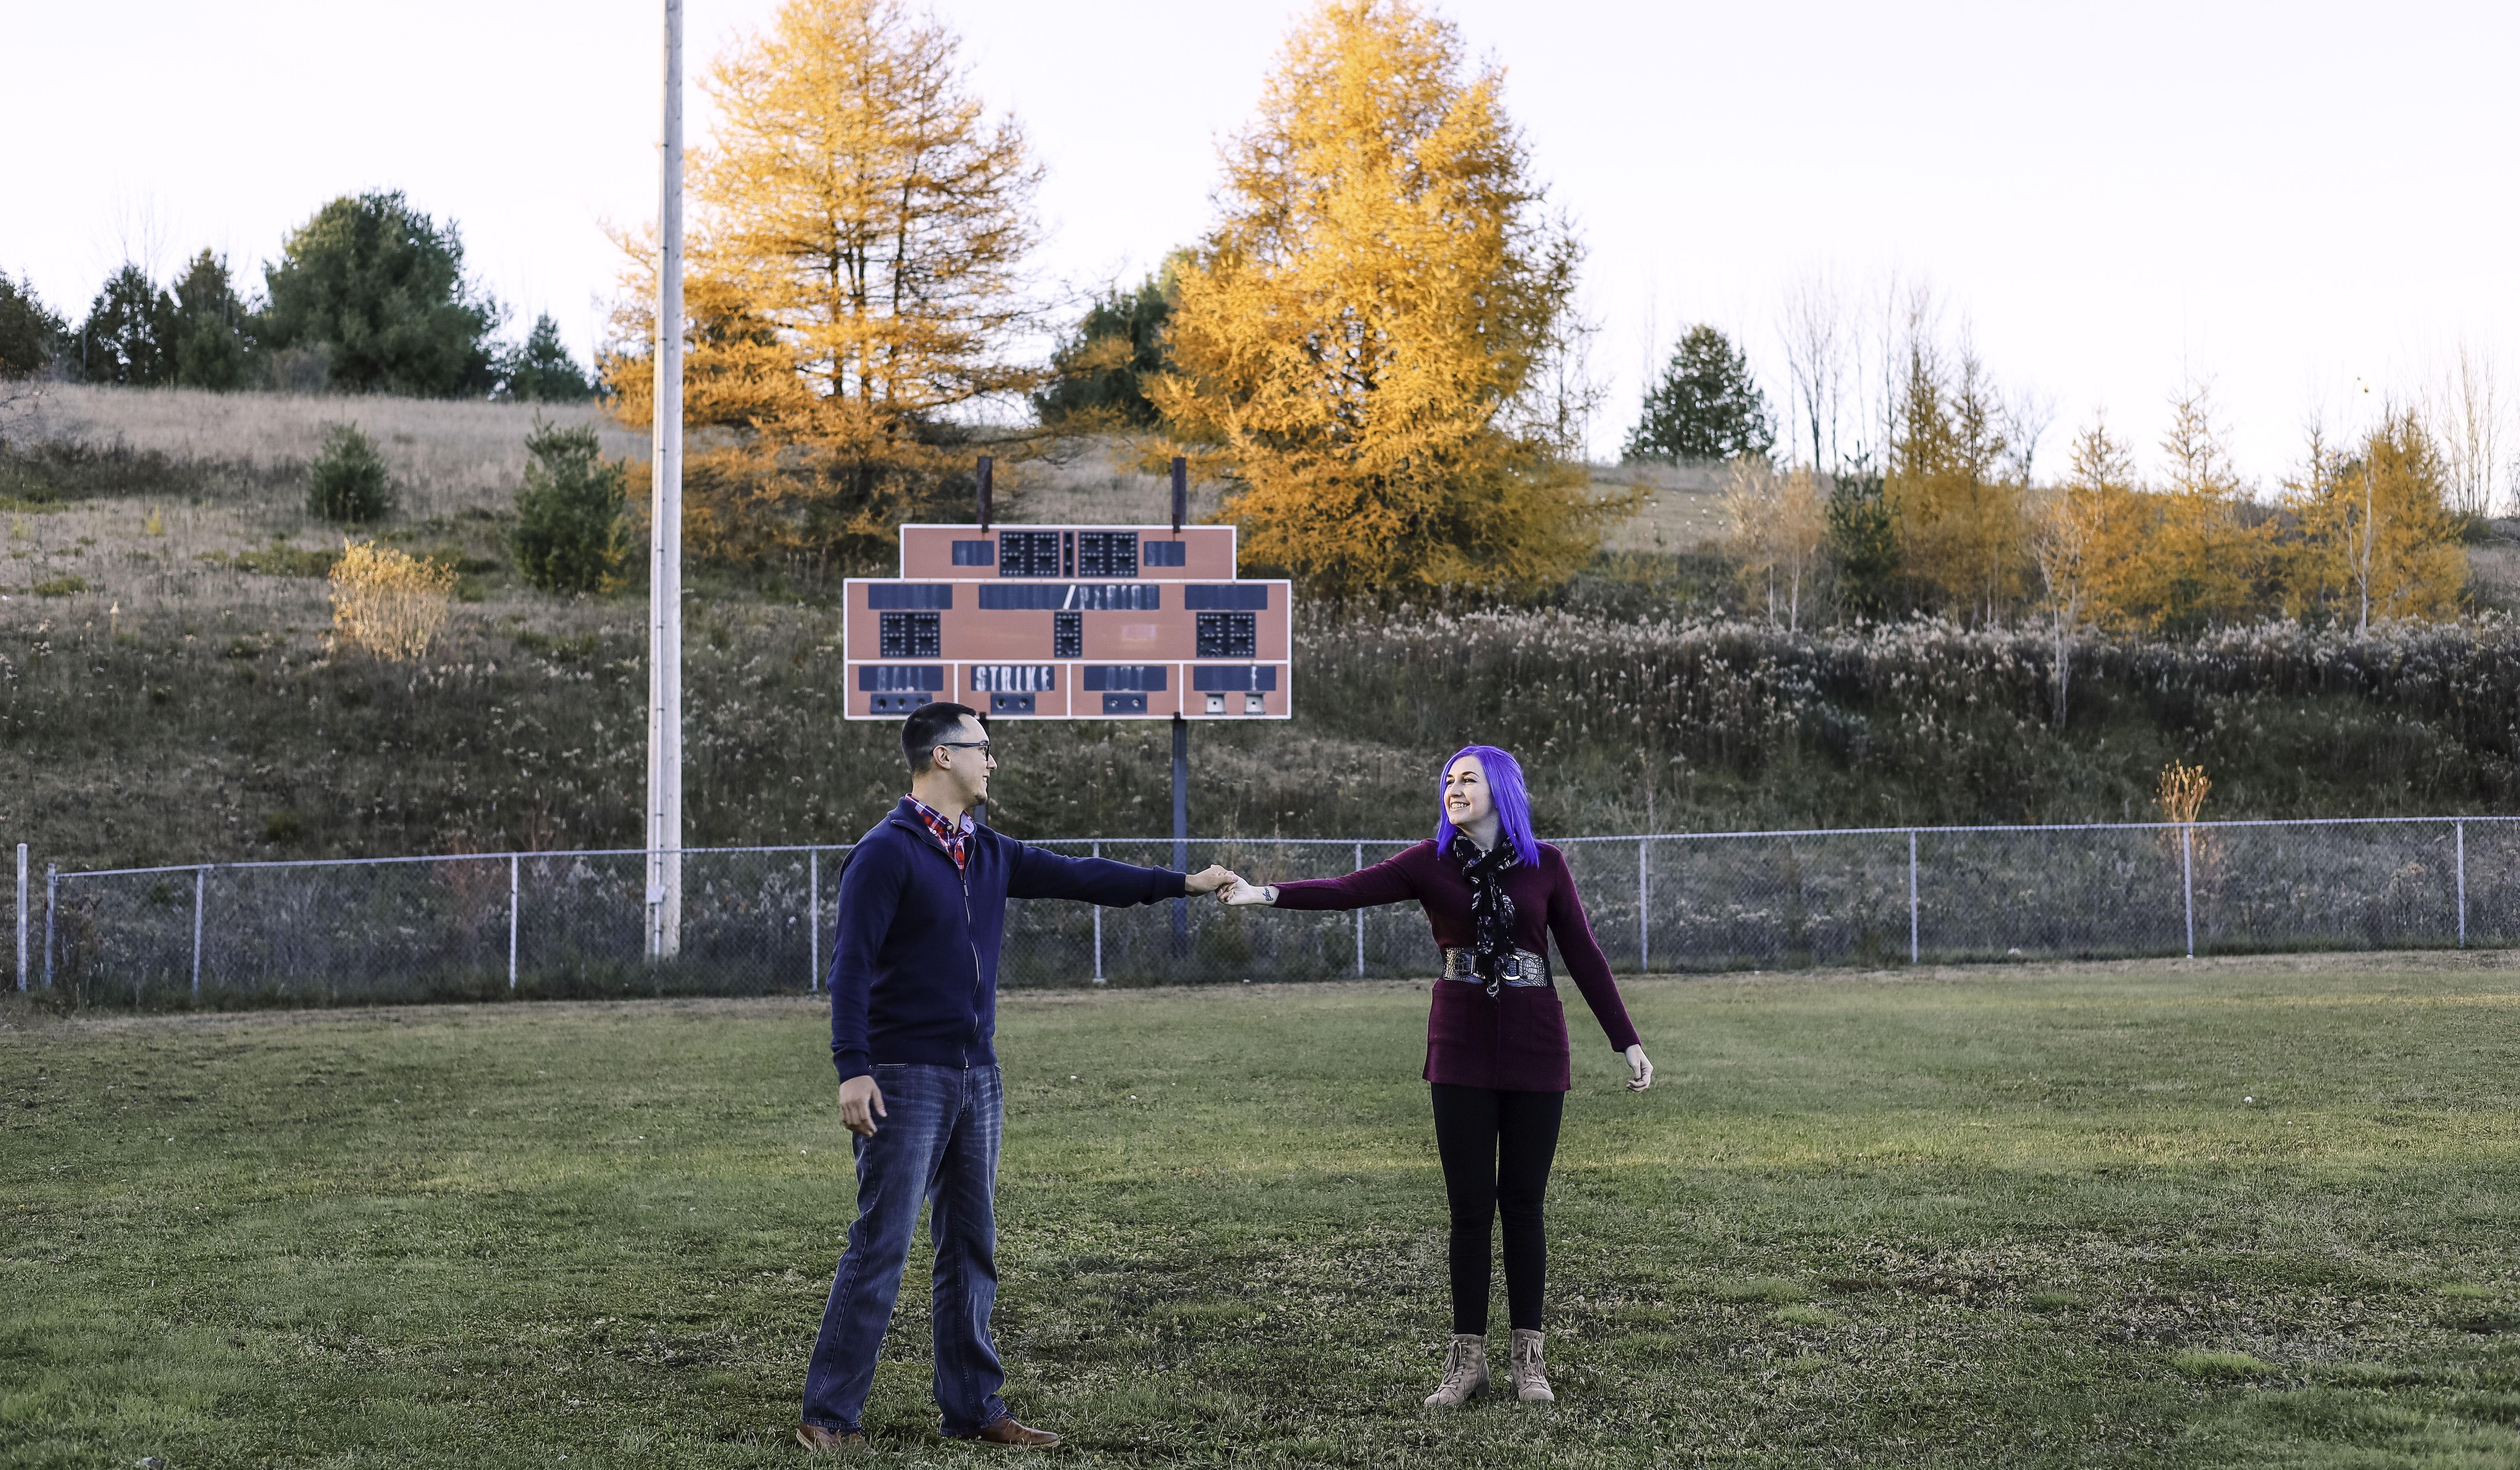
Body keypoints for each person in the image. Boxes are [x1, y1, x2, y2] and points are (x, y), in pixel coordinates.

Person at [798, 701, 1240, 1454]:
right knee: (882, 1245)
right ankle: (828, 1417)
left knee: (971, 1246)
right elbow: (850, 970)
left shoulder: (988, 850)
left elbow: (1083, 876)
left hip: (978, 1075)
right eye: (983, 748)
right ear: (942, 756)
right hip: (905, 1077)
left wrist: (1183, 884)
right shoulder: (885, 853)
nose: (992, 761)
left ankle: (974, 1409)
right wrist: (853, 1069)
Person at [1219, 743, 1651, 1408]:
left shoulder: (1547, 865)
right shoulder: (1430, 861)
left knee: (1525, 1206)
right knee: (1470, 1210)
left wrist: (1627, 1040)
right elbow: (1349, 890)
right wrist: (1266, 894)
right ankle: (1467, 1363)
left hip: (1537, 1045)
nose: (1454, 788)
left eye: (1468, 779)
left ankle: (1529, 1362)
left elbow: (1585, 956)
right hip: (1460, 1046)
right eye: (1449, 779)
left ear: (1501, 790)